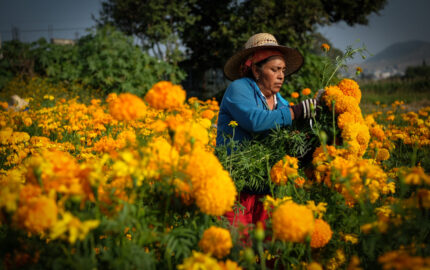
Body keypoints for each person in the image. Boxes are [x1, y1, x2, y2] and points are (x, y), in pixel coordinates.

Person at [216, 33, 317, 230]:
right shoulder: (239, 89)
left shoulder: (281, 102)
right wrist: (297, 111)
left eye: (283, 70)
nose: (281, 76)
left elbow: (288, 135)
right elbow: (255, 121)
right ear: (255, 70)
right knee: (237, 245)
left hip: (266, 187)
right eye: (274, 69)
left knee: (267, 250)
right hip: (235, 186)